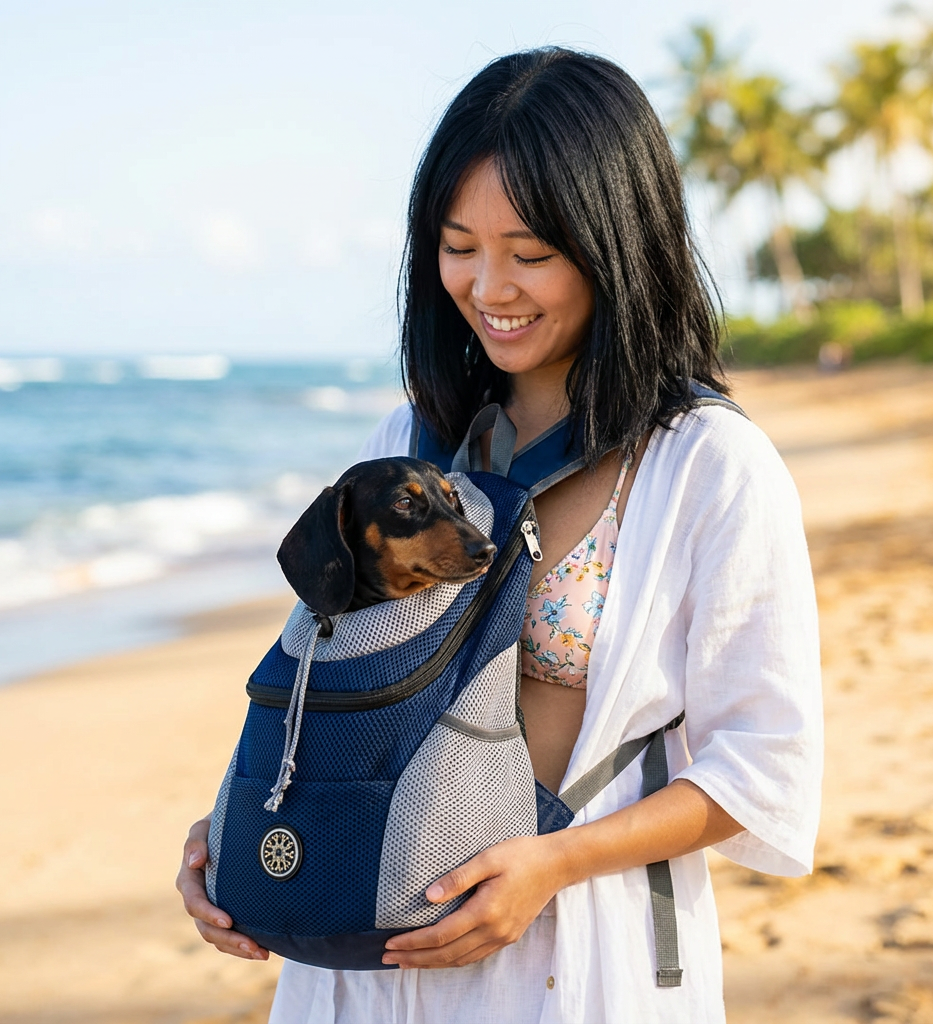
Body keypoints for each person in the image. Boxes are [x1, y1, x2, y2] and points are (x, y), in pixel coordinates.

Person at [177, 47, 822, 1023]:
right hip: (364, 952)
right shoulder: (406, 445)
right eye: (457, 245)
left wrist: (551, 863)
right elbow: (330, 681)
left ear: (615, 244)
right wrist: (237, 827)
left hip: (572, 951)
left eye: (530, 252)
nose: (489, 287)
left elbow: (762, 764)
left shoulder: (706, 464)